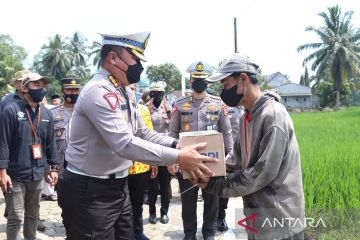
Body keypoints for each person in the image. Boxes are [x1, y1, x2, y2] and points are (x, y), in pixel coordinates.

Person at [57, 32, 217, 240]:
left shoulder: (123, 91)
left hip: (118, 187)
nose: (139, 66)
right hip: (90, 191)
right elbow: (125, 144)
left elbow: (142, 132)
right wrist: (179, 157)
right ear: (113, 58)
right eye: (135, 59)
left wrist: (178, 144)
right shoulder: (98, 92)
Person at [201, 53, 305, 240]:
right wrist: (207, 168)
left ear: (243, 79)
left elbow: (260, 173)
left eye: (226, 84)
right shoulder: (246, 117)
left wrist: (216, 185)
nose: (224, 91)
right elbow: (235, 159)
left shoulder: (273, 116)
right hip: (257, 219)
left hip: (280, 222)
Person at [168, 61, 233, 240]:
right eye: (196, 79)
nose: (199, 82)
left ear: (208, 82)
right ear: (190, 81)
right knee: (188, 202)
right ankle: (189, 234)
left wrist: (230, 159)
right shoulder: (180, 105)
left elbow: (226, 132)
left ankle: (208, 233)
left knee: (212, 201)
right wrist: (172, 159)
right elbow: (172, 133)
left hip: (211, 163)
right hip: (187, 162)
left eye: (202, 80)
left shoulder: (218, 104)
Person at [0, 72, 59, 240]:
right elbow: (2, 142)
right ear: (24, 88)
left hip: (38, 173)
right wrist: (2, 172)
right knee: (16, 217)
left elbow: (50, 143)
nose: (41, 89)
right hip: (15, 174)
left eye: (42, 86)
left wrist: (53, 167)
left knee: (33, 215)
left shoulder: (46, 114)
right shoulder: (10, 111)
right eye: (36, 85)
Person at [42, 77, 81, 201]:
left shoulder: (85, 111)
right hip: (60, 164)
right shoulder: (52, 113)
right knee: (64, 199)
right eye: (69, 90)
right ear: (62, 91)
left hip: (82, 163)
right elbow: (47, 142)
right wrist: (48, 167)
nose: (73, 93)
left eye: (76, 90)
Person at [127, 83, 156, 240]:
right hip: (121, 165)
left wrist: (153, 162)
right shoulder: (115, 109)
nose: (130, 92)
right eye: (128, 89)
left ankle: (138, 231)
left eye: (133, 89)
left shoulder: (144, 110)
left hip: (140, 165)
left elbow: (149, 136)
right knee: (123, 204)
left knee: (137, 202)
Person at [147, 81, 172, 225]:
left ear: (163, 95)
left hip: (165, 151)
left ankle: (164, 212)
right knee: (151, 184)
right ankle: (152, 213)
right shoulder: (145, 109)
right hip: (150, 150)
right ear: (151, 94)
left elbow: (174, 125)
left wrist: (169, 111)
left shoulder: (168, 109)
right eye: (155, 94)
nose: (157, 96)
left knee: (164, 184)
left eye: (160, 94)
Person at [217, 104, 244, 232]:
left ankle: (251, 219)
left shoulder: (251, 106)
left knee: (249, 187)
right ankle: (220, 217)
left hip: (247, 153)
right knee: (224, 186)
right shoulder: (224, 107)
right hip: (228, 154)